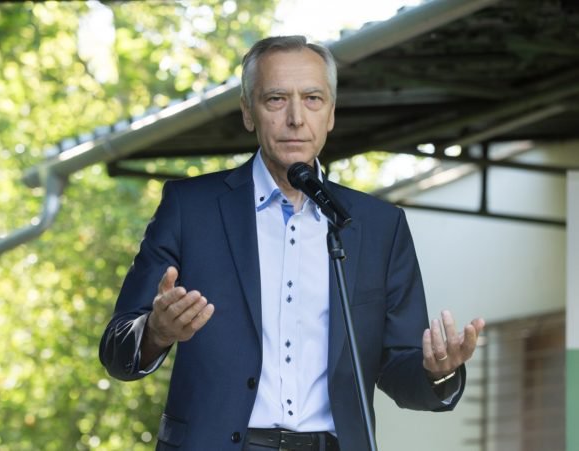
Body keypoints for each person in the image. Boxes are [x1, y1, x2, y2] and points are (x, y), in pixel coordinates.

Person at [99, 35, 485, 451]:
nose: (296, 118)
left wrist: (440, 372)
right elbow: (116, 350)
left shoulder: (378, 226)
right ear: (248, 112)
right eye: (276, 99)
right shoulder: (190, 209)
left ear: (331, 113)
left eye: (313, 99)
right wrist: (155, 332)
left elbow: (399, 367)